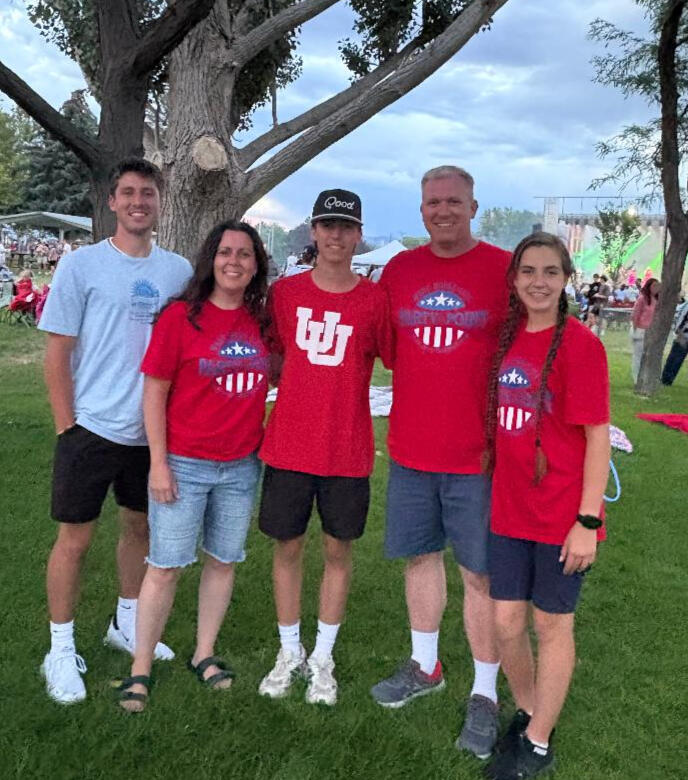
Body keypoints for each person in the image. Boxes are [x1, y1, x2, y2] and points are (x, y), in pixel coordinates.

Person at [38, 158, 192, 705]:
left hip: (150, 433)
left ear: (160, 202)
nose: (137, 202)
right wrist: (67, 426)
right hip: (91, 427)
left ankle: (126, 622)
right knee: (75, 540)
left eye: (147, 193)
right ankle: (60, 648)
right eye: (128, 193)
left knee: (139, 529)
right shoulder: (81, 265)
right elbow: (57, 352)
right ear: (112, 201)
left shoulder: (177, 271)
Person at [371, 166, 511, 759]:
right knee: (420, 558)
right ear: (422, 209)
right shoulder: (401, 271)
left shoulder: (503, 269)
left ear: (473, 207)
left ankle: (485, 692)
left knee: (480, 574)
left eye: (454, 201)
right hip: (411, 449)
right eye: (433, 202)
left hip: (479, 454)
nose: (443, 210)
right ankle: (425, 665)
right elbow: (388, 349)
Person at [116, 220, 269, 712]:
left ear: (256, 265)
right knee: (165, 566)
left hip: (241, 465)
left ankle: (204, 652)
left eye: (244, 254)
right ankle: (140, 667)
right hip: (185, 463)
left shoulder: (263, 322)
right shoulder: (182, 317)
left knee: (223, 561)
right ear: (210, 260)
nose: (234, 261)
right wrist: (158, 464)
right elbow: (154, 392)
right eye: (225, 252)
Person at [481, 232, 610, 780]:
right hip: (509, 510)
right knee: (506, 622)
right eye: (529, 271)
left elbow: (598, 437)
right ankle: (530, 709)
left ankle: (537, 743)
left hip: (562, 514)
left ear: (566, 279)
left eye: (550, 272)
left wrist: (587, 521)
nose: (539, 282)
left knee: (551, 623)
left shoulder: (581, 346)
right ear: (514, 279)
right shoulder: (506, 338)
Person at [257, 189, 392, 706]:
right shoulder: (285, 294)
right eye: (327, 225)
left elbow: (398, 358)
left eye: (346, 226)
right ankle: (288, 649)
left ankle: (323, 657)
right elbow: (269, 357)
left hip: (346, 447)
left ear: (359, 235)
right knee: (287, 548)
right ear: (313, 231)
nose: (336, 235)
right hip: (290, 445)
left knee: (338, 551)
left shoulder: (374, 300)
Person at [630, 277, 660, 383]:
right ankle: (636, 378)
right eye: (654, 286)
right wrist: (635, 330)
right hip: (641, 330)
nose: (656, 288)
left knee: (649, 356)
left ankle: (646, 377)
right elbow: (635, 315)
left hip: (651, 331)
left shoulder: (656, 300)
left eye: (658, 286)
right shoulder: (642, 298)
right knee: (638, 355)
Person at [661, 297, 688, 386]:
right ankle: (666, 379)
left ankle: (668, 379)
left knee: (678, 359)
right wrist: (678, 333)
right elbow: (681, 318)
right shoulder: (687, 306)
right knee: (675, 358)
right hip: (683, 335)